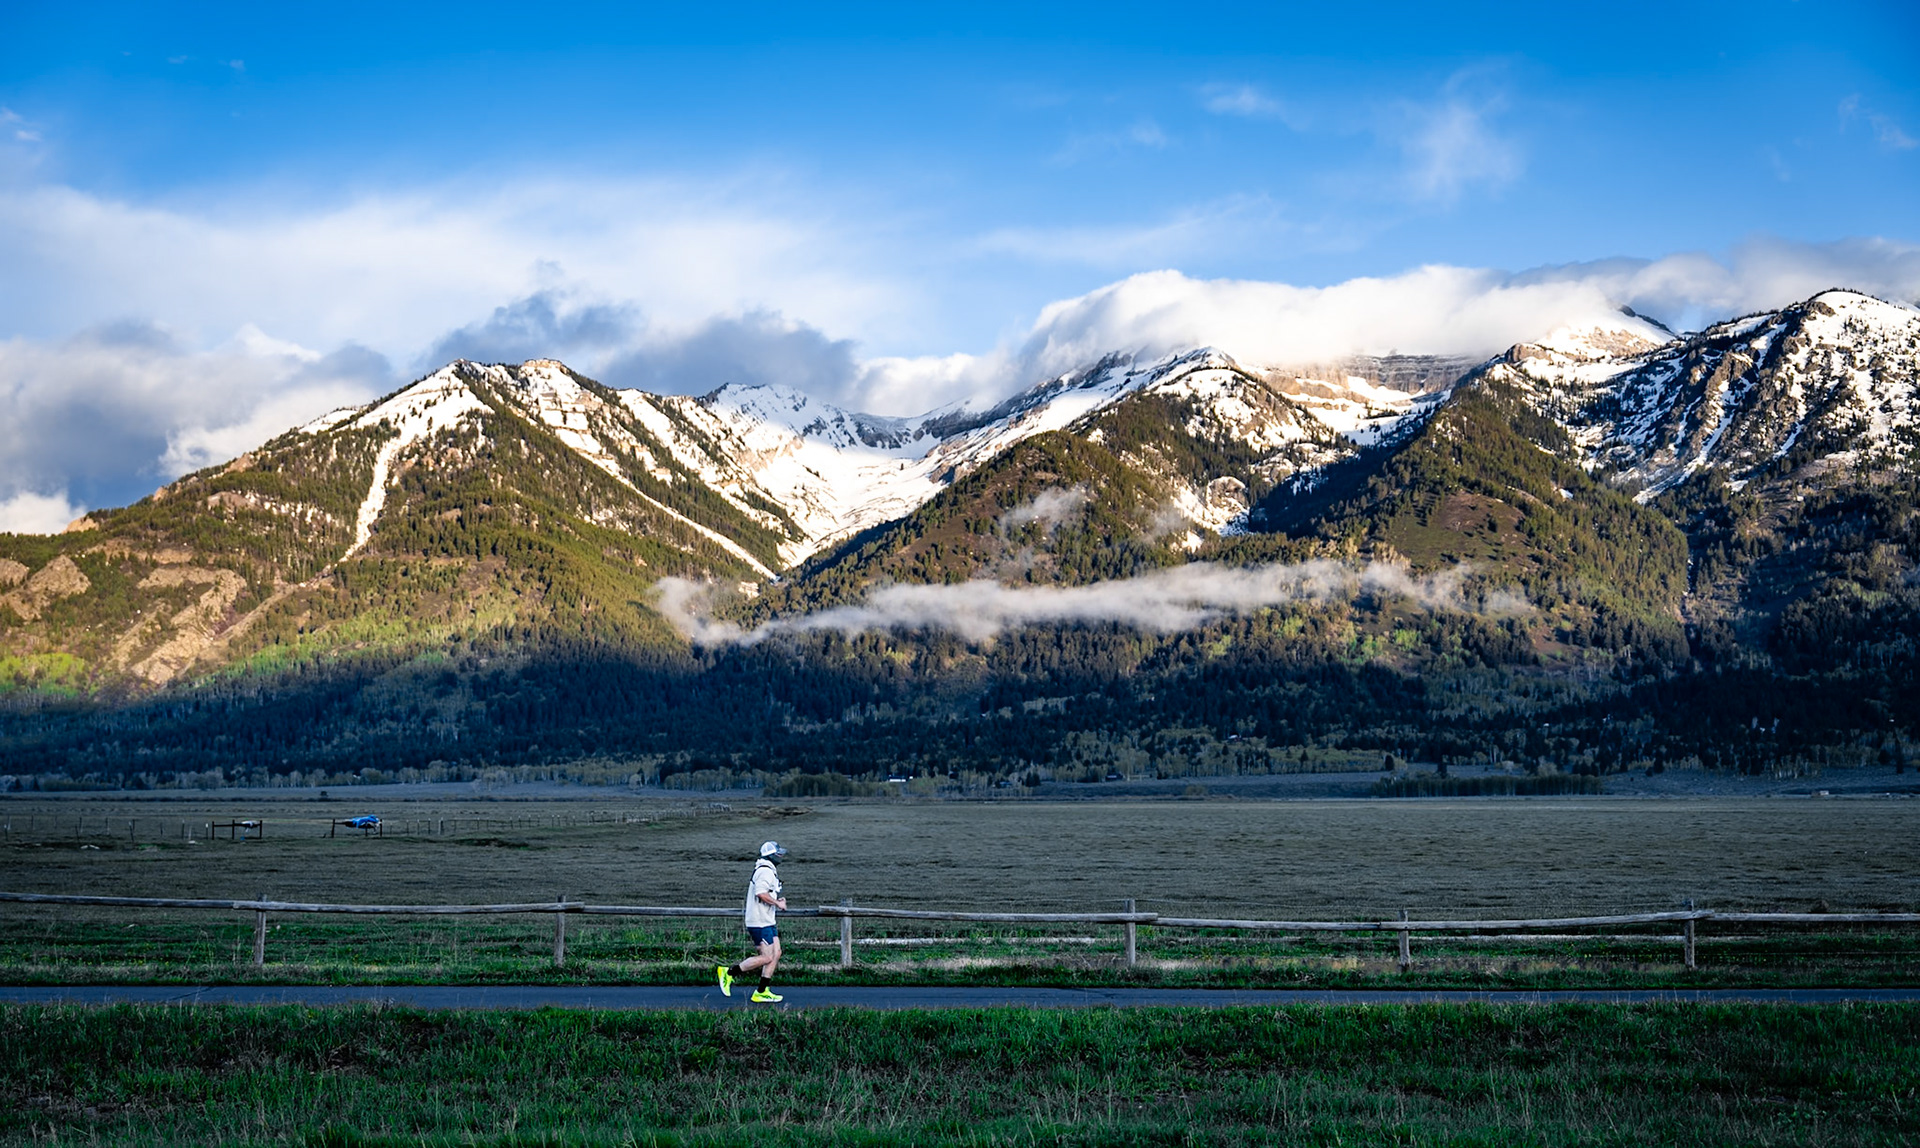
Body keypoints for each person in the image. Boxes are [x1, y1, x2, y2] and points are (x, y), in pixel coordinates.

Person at [717, 840, 788, 1002]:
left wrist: (777, 900)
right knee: (767, 957)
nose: (781, 856)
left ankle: (762, 991)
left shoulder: (769, 870)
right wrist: (778, 904)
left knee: (776, 953)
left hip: (767, 920)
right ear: (771, 856)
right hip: (759, 922)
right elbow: (760, 893)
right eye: (778, 854)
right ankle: (729, 973)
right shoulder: (765, 871)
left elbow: (767, 893)